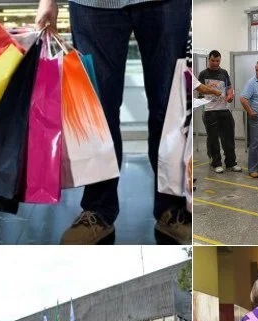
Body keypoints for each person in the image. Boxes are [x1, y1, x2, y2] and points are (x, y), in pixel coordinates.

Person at [35, 0, 192, 245]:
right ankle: (98, 210)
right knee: (97, 112)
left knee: (169, 105)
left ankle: (172, 209)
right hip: (92, 4)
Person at [198, 51, 242, 174]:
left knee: (229, 137)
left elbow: (229, 87)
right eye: (213, 60)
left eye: (218, 61)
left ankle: (231, 162)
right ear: (209, 60)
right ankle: (216, 163)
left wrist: (230, 95)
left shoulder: (224, 73)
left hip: (224, 109)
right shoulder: (203, 74)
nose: (215, 63)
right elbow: (199, 91)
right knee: (213, 139)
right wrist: (212, 91)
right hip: (210, 111)